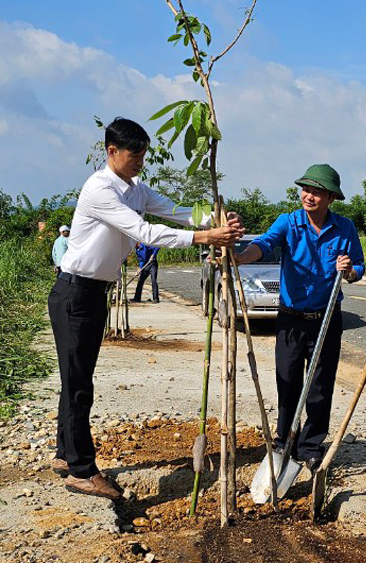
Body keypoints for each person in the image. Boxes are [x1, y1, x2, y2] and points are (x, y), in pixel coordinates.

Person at [50, 117, 244, 499]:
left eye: (143, 155)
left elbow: (175, 212)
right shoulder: (99, 189)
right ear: (112, 152)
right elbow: (145, 233)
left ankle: (64, 454)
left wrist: (216, 218)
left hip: (94, 292)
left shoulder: (136, 188)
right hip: (74, 293)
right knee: (77, 384)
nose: (140, 162)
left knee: (78, 377)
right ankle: (81, 470)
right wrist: (206, 236)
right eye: (134, 155)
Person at [235, 164, 365, 470]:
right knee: (288, 381)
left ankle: (310, 444)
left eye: (317, 192)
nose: (309, 196)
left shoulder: (344, 228)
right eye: (306, 189)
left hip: (326, 317)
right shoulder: (289, 222)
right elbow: (265, 244)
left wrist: (348, 271)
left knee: (320, 384)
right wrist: (241, 258)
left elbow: (358, 267)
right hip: (291, 319)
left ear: (331, 197)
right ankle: (284, 441)